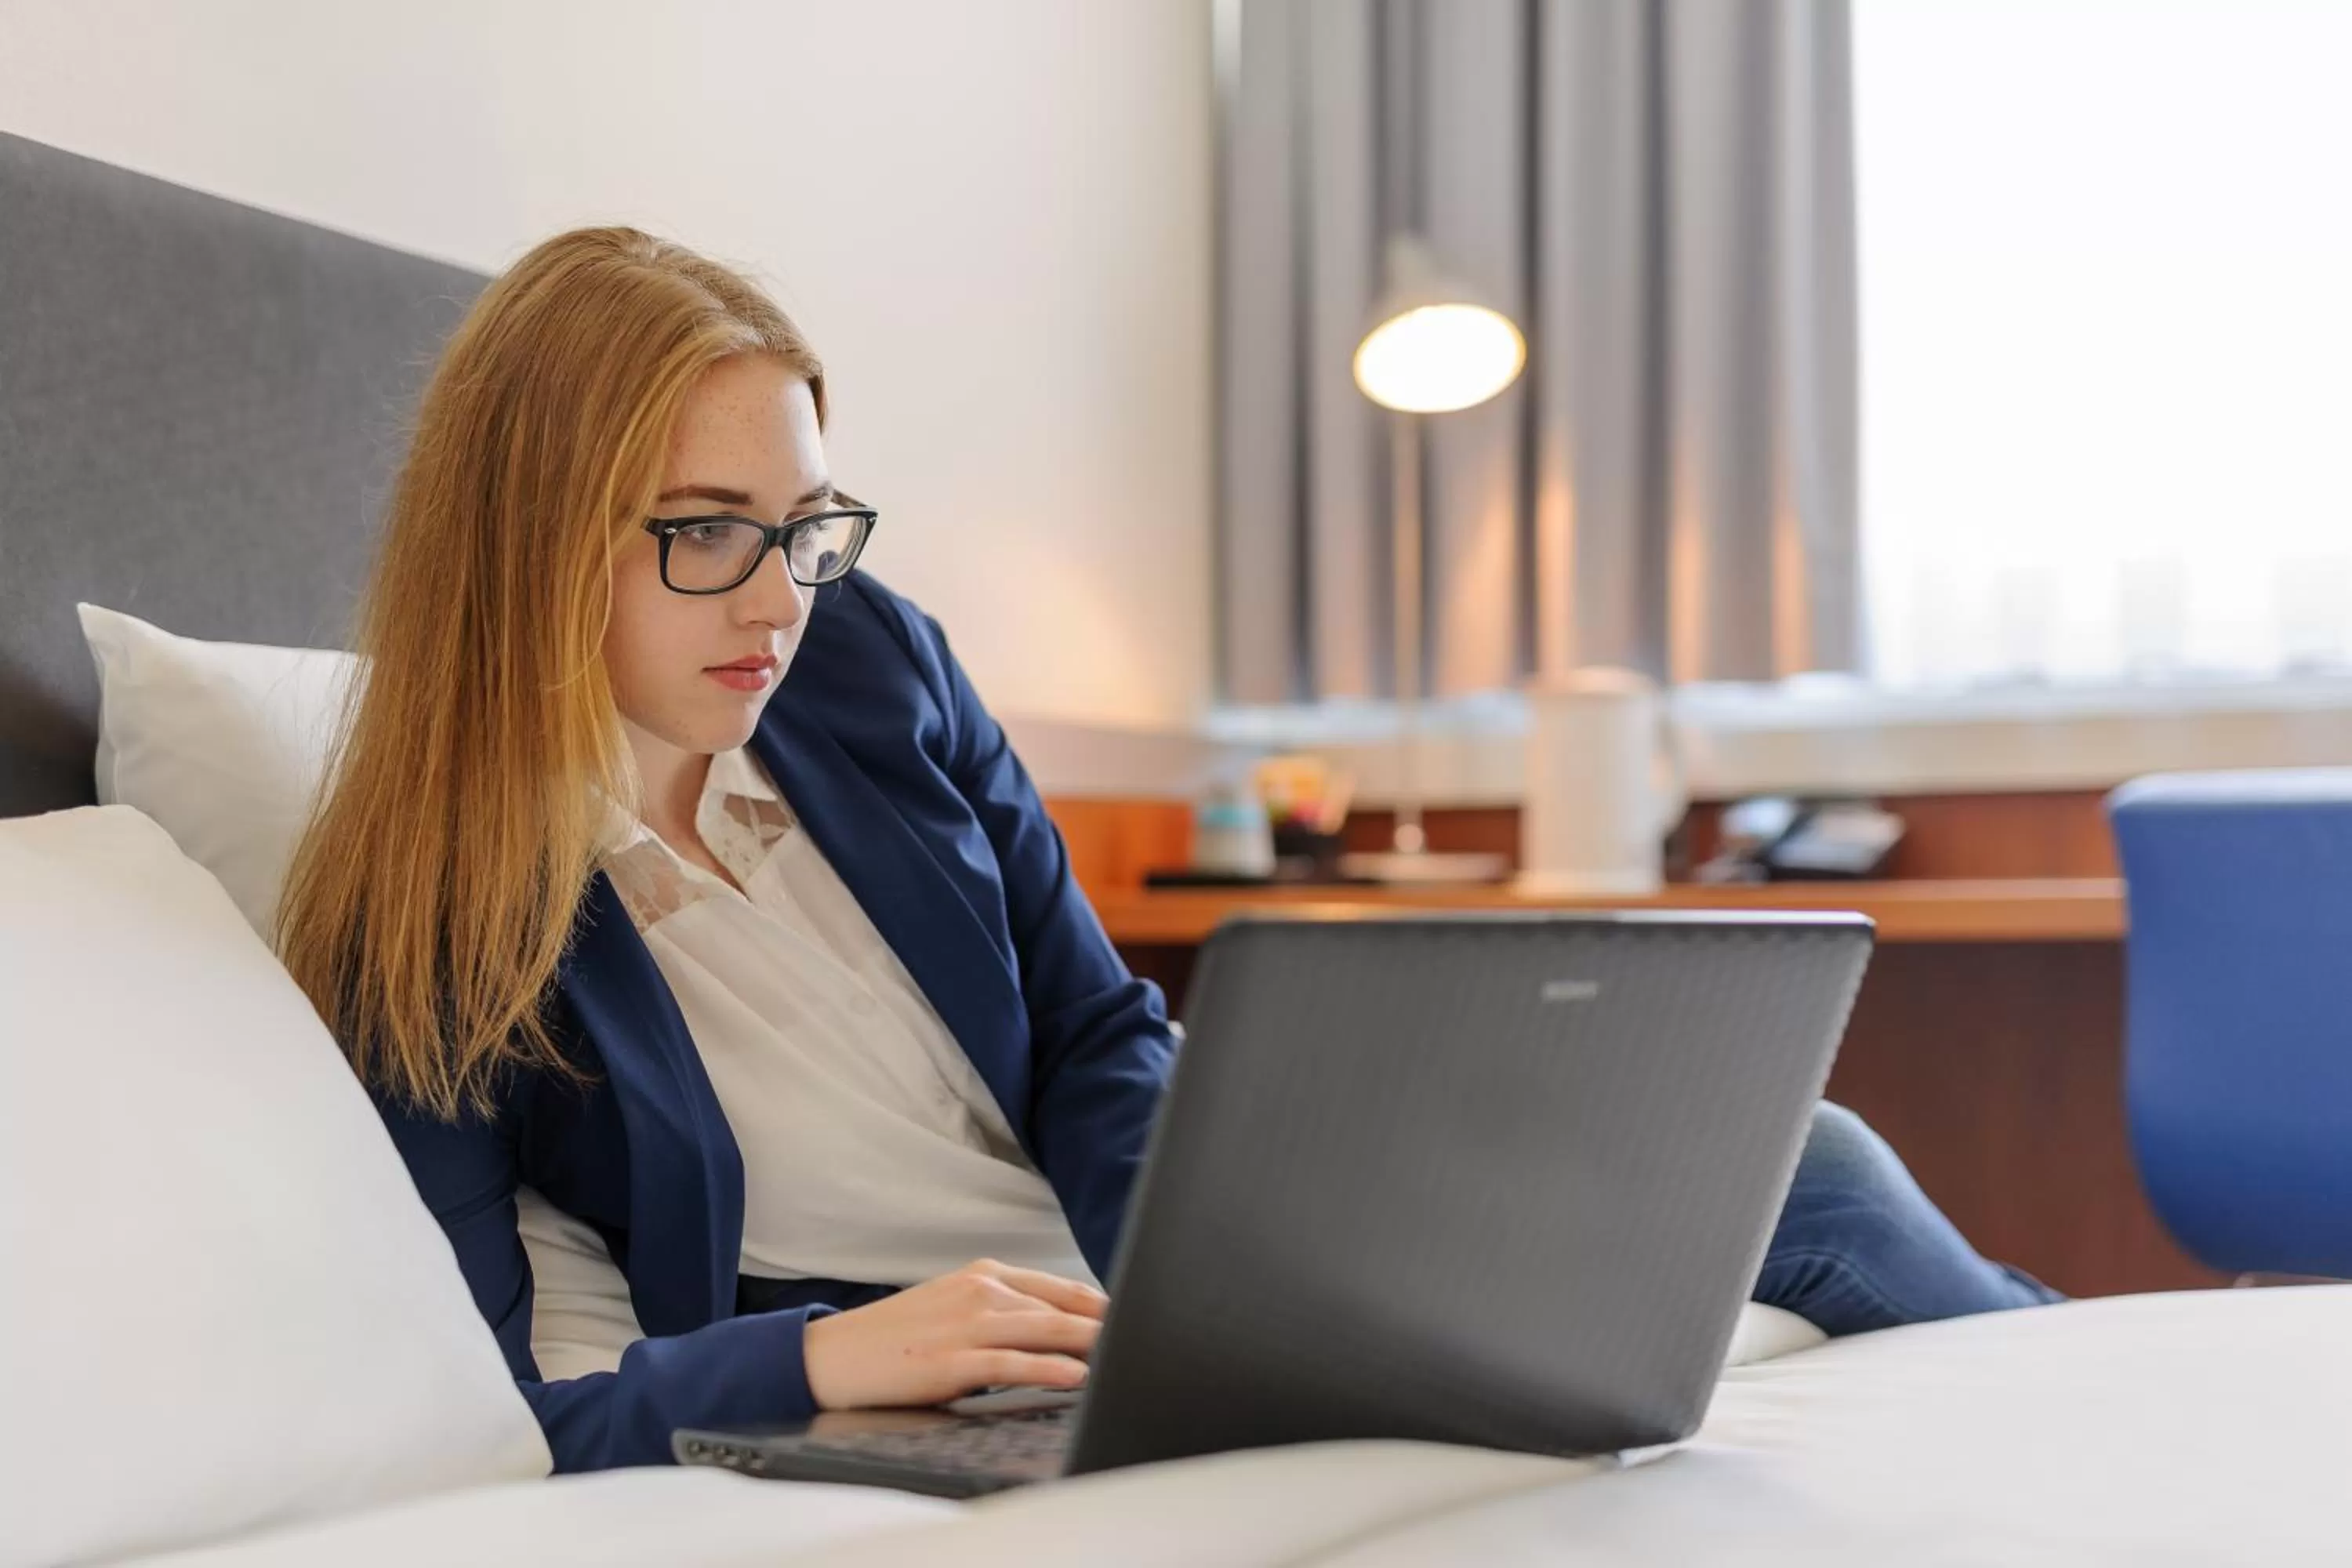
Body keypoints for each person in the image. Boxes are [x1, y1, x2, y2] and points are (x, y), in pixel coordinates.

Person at [275, 227, 2056, 1475]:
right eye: (706, 536)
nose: (779, 600)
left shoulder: (869, 664)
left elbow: (1094, 1027)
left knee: (1793, 1150)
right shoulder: (424, 931)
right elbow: (496, 1406)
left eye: (809, 527)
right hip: (979, 1348)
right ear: (527, 542)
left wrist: (1202, 1272)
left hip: (1188, 1228)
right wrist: (821, 1361)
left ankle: (2103, 1399)